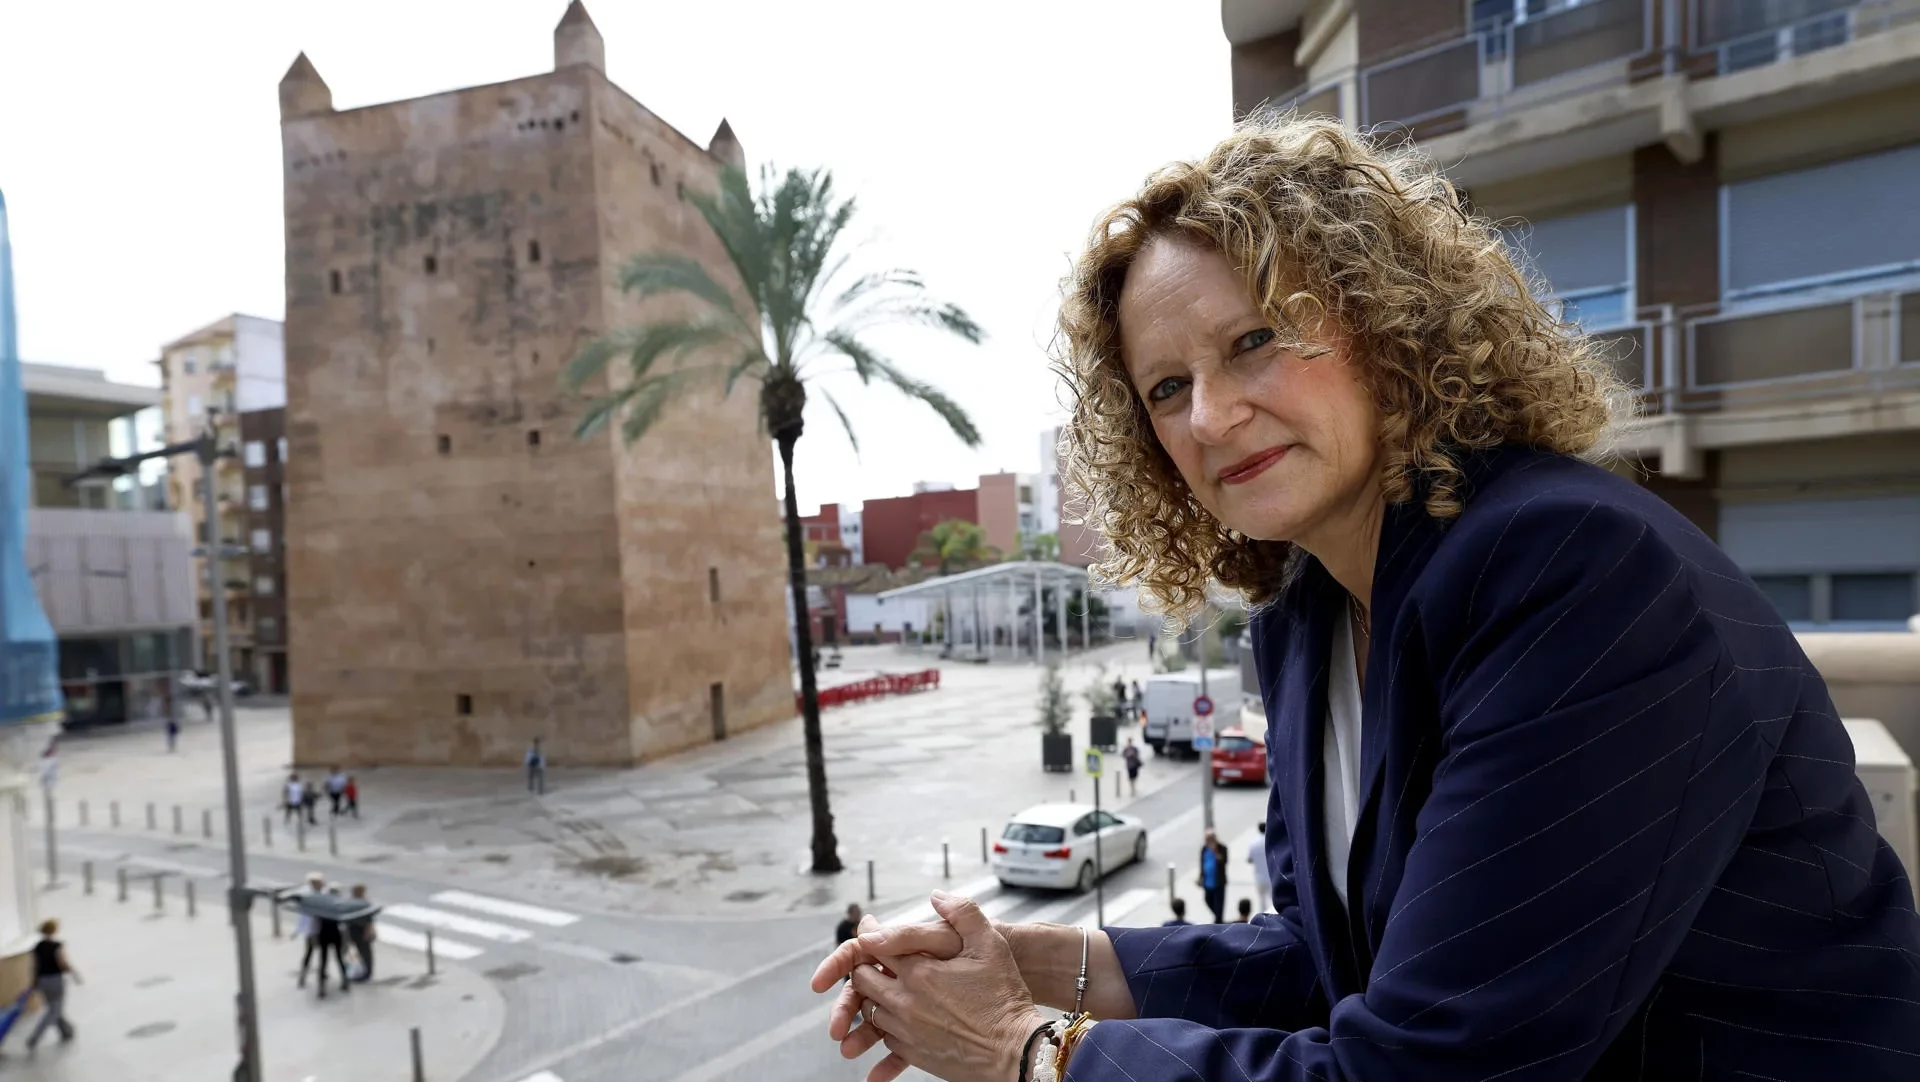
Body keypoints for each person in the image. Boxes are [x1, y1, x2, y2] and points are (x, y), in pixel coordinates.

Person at [810, 116, 1920, 1082]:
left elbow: (1428, 1062)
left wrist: (1025, 1047)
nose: (1210, 416)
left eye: (1256, 340)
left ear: (1386, 324)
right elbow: (1331, 955)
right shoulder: (1308, 618)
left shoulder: (1570, 570)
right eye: (1167, 388)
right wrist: (1037, 960)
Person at [24, 919, 80, 1051]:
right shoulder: (57, 945)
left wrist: (34, 981)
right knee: (54, 1010)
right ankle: (34, 1038)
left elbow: (35, 966)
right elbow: (62, 963)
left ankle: (66, 1032)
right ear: (54, 931)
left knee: (54, 1007)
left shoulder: (37, 947)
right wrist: (74, 973)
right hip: (55, 979)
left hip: (43, 980)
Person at [312, 889, 352, 999]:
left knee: (323, 960)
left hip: (323, 934)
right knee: (339, 958)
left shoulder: (321, 907)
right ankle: (345, 981)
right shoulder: (338, 907)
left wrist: (314, 936)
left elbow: (315, 922)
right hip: (335, 934)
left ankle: (321, 988)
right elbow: (344, 922)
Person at [1196, 828, 1229, 923]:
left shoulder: (1222, 848)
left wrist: (1215, 851)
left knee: (1219, 904)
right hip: (1207, 881)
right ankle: (1219, 918)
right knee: (1208, 900)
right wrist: (1200, 877)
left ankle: (1218, 920)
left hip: (1218, 882)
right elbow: (1202, 864)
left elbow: (1224, 861)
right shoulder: (1204, 849)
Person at [345, 884, 376, 982]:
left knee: (360, 951)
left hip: (357, 929)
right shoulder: (363, 903)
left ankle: (364, 973)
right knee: (361, 952)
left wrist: (369, 931)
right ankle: (361, 972)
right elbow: (369, 920)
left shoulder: (352, 902)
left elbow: (369, 920)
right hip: (357, 929)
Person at [1247, 820, 1271, 914]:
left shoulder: (1253, 843)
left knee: (1262, 901)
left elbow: (1250, 859)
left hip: (1259, 877)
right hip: (1270, 876)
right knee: (1272, 900)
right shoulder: (1270, 841)